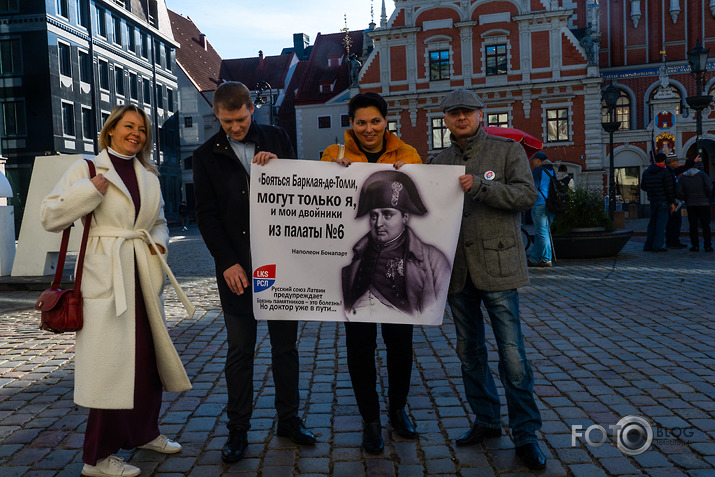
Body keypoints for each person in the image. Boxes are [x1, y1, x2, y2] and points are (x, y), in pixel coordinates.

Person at [41, 104, 192, 477]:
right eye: (128, 126)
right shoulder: (88, 169)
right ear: (110, 130)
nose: (136, 134)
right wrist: (88, 192)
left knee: (147, 362)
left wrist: (158, 244)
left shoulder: (150, 176)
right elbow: (50, 216)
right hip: (106, 280)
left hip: (142, 275)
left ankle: (145, 432)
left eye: (142, 129)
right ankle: (97, 457)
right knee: (112, 368)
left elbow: (157, 223)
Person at [192, 81, 315, 463]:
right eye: (226, 121)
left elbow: (301, 192)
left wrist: (279, 165)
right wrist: (226, 262)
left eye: (240, 119)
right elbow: (207, 217)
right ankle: (238, 431)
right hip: (237, 270)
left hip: (280, 264)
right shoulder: (205, 155)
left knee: (285, 349)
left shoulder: (276, 137)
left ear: (252, 108)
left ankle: (289, 420)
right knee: (240, 351)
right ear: (217, 115)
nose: (234, 128)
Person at [430, 89, 546, 470]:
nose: (460, 117)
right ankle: (485, 420)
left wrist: (481, 186)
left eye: (467, 112)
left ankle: (526, 434)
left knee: (513, 356)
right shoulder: (439, 160)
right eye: (453, 113)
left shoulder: (507, 150)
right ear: (445, 119)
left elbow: (526, 196)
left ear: (481, 115)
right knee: (470, 352)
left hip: (498, 265)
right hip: (458, 270)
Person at [321, 92, 422, 454]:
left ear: (386, 121)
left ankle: (398, 410)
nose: (368, 129)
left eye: (375, 121)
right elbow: (318, 197)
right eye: (361, 122)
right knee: (359, 348)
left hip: (399, 269)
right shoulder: (334, 156)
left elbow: (431, 196)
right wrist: (334, 175)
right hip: (359, 268)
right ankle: (370, 420)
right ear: (351, 124)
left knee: (400, 346)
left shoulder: (409, 155)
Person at [342, 170, 451, 322]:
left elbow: (434, 307)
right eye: (374, 216)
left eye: (387, 215)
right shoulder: (357, 255)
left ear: (405, 217)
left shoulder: (434, 260)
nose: (378, 223)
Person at [676, 156, 713, 252]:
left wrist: (686, 199)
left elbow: (679, 192)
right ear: (695, 165)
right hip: (703, 203)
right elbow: (709, 187)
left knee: (693, 226)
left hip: (691, 204)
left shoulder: (683, 177)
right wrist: (707, 198)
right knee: (706, 225)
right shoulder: (702, 175)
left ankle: (695, 245)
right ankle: (707, 245)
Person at [641, 152, 676, 252]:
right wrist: (672, 202)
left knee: (652, 224)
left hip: (652, 200)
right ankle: (658, 246)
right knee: (661, 224)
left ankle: (648, 245)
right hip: (663, 201)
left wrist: (652, 190)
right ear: (664, 161)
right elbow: (669, 189)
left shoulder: (647, 171)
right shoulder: (665, 172)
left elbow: (643, 186)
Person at [528, 151, 556, 267]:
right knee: (541, 233)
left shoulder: (538, 171)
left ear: (537, 160)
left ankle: (546, 258)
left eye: (534, 160)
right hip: (551, 205)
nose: (533, 162)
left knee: (542, 233)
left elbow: (533, 188)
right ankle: (534, 258)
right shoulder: (551, 171)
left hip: (539, 204)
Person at [665, 156, 694, 249]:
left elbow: (682, 168)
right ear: (671, 162)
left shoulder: (671, 171)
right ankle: (673, 241)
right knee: (674, 222)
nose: (677, 163)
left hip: (672, 200)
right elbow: (669, 188)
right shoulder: (669, 172)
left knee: (672, 222)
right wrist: (672, 202)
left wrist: (693, 161)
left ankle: (671, 241)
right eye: (676, 161)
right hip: (672, 202)